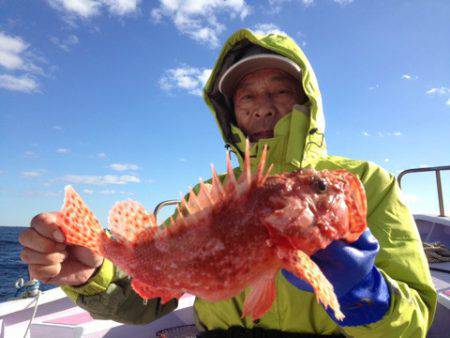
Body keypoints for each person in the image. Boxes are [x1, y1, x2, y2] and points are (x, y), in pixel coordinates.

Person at [19, 29, 436, 337]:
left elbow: (416, 324)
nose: (263, 105)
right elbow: (150, 296)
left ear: (307, 101)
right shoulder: (205, 200)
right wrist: (91, 276)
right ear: (231, 112)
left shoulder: (366, 182)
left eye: (280, 89)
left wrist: (366, 292)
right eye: (247, 96)